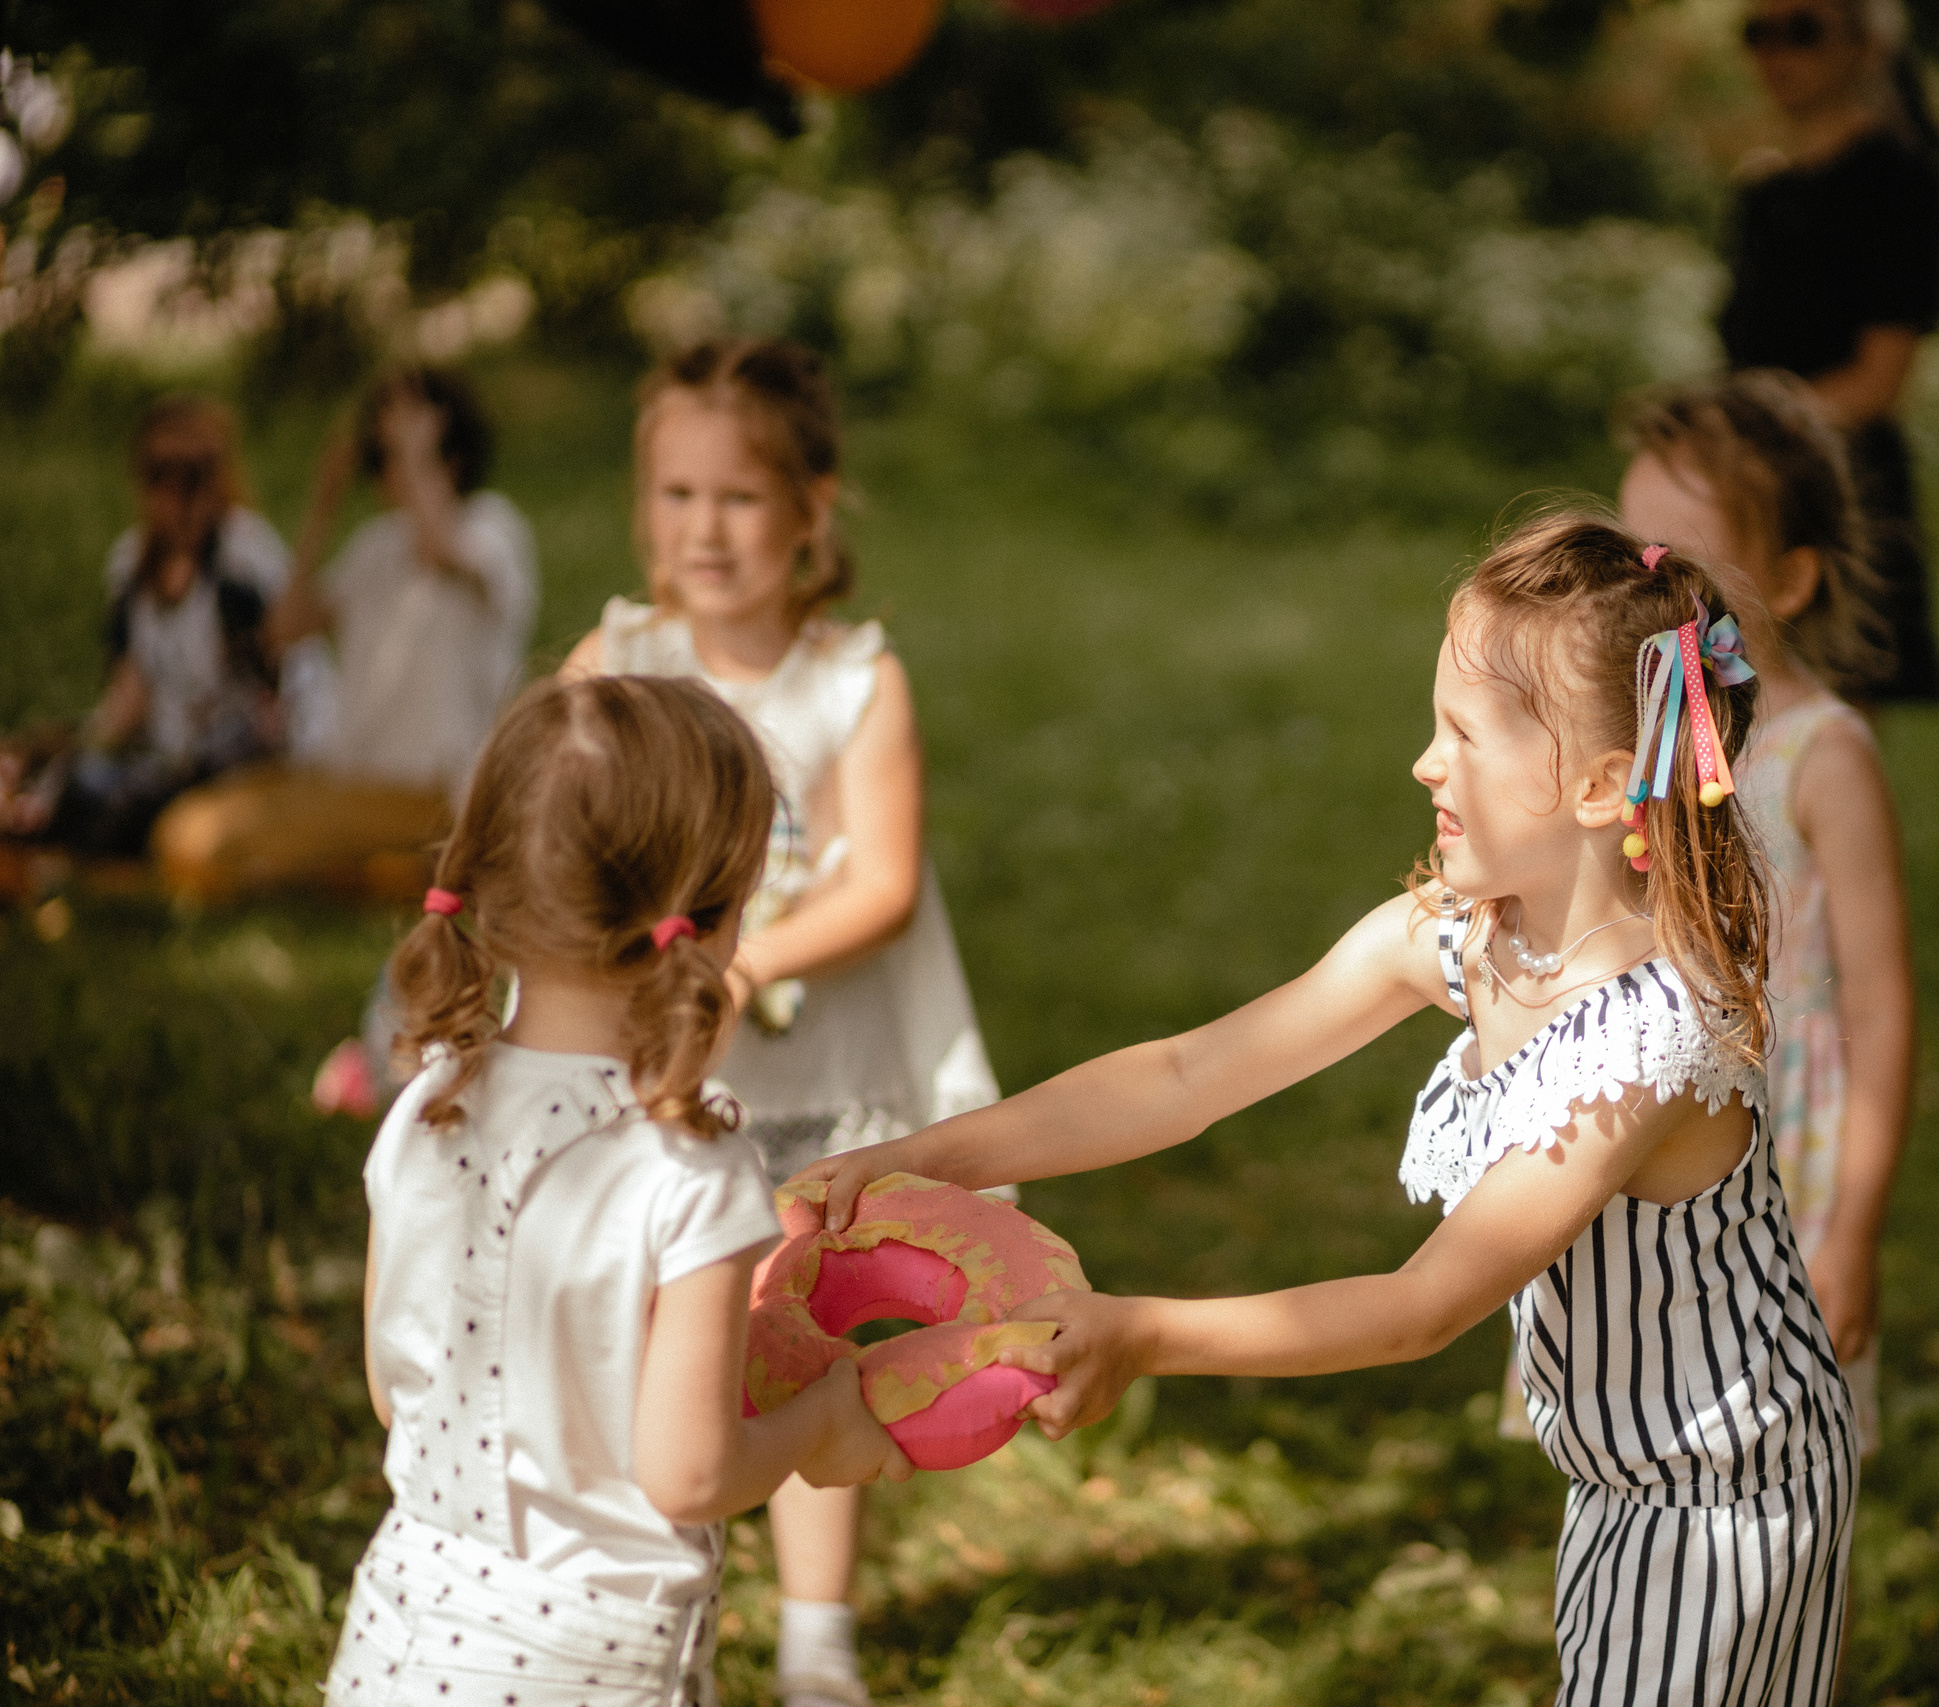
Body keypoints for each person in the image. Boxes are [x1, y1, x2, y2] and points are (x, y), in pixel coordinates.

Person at [795, 514, 1861, 1705]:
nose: (1425, 762)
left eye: (1462, 734)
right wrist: (921, 1159)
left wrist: (1144, 1334)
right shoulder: (1470, 940)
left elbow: (1421, 1307)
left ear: (1599, 785)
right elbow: (1187, 1076)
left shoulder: (1648, 1041)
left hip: (1728, 1494)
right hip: (1622, 1478)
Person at [326, 673, 910, 1706]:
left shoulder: (423, 1109)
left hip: (398, 1622)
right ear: (719, 918)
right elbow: (689, 1475)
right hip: (585, 1661)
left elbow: (394, 1388)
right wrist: (822, 1419)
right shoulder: (689, 1157)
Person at [562, 338, 999, 1707]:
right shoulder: (618, 659)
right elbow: (555, 834)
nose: (704, 528)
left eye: (740, 498)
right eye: (677, 494)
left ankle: (816, 1636)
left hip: (820, 1087)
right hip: (670, 1091)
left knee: (802, 1334)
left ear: (813, 507)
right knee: (660, 1341)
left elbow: (880, 877)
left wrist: (745, 964)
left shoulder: (854, 680)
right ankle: (658, 1593)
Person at [1619, 371, 1913, 1464]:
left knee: (1778, 1447)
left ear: (1787, 579)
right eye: (1626, 556)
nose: (1643, 589)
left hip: (1778, 1154)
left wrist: (1853, 1228)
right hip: (1644, 1128)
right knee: (1634, 1417)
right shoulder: (1633, 732)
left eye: (1680, 564)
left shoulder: (1820, 757)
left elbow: (1880, 1011)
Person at [152, 365, 536, 900]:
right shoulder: (380, 543)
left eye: (400, 456)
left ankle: (400, 869)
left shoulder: (493, 528)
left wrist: (416, 451)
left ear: (452, 455)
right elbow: (284, 631)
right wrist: (324, 502)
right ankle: (382, 873)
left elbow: (444, 553)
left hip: (433, 790)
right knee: (188, 821)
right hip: (353, 776)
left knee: (207, 843)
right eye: (382, 457)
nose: (389, 472)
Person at [1718, 0, 1939, 704]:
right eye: (1758, 32)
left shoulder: (1896, 181)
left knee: (1831, 736)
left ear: (1863, 45)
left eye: (1804, 31)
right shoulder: (1763, 189)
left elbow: (1881, 379)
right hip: (1750, 481)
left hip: (1843, 490)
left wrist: (1756, 425)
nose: (1778, 53)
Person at [1, 395, 314, 853]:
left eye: (192, 475)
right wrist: (58, 760)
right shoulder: (131, 568)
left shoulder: (242, 560)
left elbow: (282, 690)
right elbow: (128, 698)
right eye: (159, 475)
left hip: (244, 763)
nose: (176, 494)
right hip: (166, 760)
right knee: (78, 788)